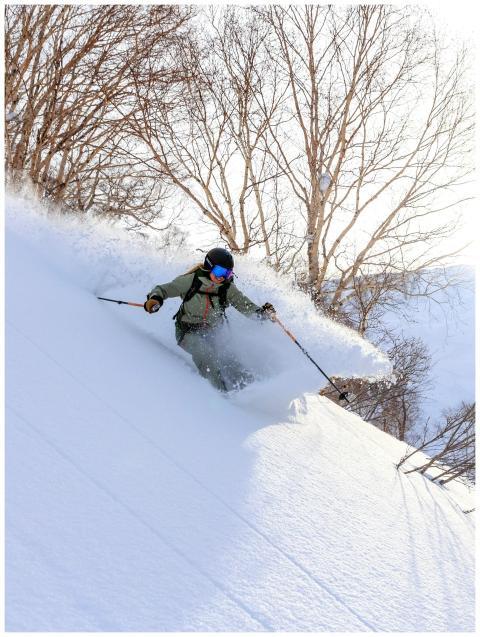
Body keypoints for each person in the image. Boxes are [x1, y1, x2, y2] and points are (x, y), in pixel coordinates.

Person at [144, 248, 276, 391]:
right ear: (209, 266)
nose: (222, 277)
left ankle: (254, 392)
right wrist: (155, 299)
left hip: (212, 334)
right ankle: (220, 395)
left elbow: (243, 304)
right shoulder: (191, 281)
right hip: (188, 332)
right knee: (206, 354)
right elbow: (164, 289)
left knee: (232, 361)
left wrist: (262, 314)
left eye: (227, 273)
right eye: (219, 271)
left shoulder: (227, 288)